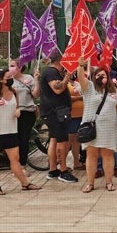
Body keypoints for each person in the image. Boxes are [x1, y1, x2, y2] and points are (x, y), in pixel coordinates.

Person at [77, 58, 117, 192]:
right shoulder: (89, 88)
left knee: (108, 155)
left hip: (109, 128)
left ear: (108, 77)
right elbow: (81, 77)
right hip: (91, 128)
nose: (100, 77)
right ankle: (90, 183)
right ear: (93, 77)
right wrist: (81, 66)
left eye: (103, 75)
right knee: (91, 156)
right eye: (98, 75)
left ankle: (109, 182)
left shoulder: (113, 90)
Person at [39, 52, 78, 183]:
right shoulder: (51, 72)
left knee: (54, 140)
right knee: (62, 141)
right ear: (59, 61)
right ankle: (63, 170)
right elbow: (58, 89)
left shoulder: (51, 72)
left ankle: (53, 169)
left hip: (56, 112)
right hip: (55, 113)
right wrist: (67, 77)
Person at [9, 58, 40, 171]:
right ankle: (14, 165)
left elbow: (36, 94)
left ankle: (22, 164)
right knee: (13, 139)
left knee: (23, 138)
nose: (10, 68)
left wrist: (36, 80)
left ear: (20, 67)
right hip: (12, 114)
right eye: (9, 66)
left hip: (27, 112)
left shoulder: (28, 78)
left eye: (13, 65)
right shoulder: (8, 79)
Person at [68, 72, 85, 170]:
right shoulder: (65, 84)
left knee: (76, 141)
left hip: (81, 114)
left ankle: (76, 163)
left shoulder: (77, 83)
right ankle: (62, 164)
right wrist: (80, 98)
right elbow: (67, 98)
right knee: (69, 141)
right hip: (72, 115)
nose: (74, 73)